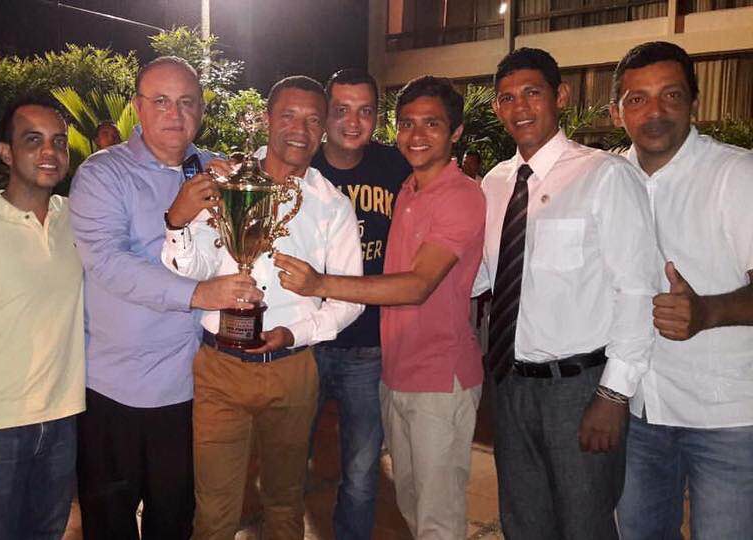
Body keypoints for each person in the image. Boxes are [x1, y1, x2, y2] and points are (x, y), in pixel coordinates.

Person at [275, 75, 486, 539]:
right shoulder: (405, 186)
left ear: (455, 131)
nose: (417, 135)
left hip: (416, 365)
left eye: (432, 124)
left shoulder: (441, 187)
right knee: (405, 497)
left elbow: (419, 285)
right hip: (356, 355)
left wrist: (321, 283)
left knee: (406, 497)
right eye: (407, 123)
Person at [161, 75, 363, 539]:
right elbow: (190, 267)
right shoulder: (225, 181)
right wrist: (178, 223)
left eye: (313, 120)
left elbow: (349, 296)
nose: (300, 129)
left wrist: (296, 332)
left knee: (286, 504)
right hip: (220, 368)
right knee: (214, 513)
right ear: (268, 119)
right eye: (288, 115)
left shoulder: (332, 205)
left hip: (292, 369)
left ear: (324, 129)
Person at [69, 56, 259, 539]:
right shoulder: (103, 173)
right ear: (137, 107)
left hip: (191, 386)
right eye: (160, 101)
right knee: (109, 524)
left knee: (174, 521)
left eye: (186, 102)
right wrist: (198, 293)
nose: (175, 114)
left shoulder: (217, 170)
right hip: (115, 387)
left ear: (201, 109)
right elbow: (108, 263)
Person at [474, 48, 661, 539]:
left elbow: (636, 290)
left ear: (560, 96)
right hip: (509, 384)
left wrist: (613, 394)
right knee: (523, 523)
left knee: (584, 525)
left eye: (532, 93)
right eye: (507, 98)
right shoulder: (494, 183)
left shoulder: (603, 174)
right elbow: (486, 276)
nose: (519, 107)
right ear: (496, 107)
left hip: (579, 390)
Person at [610, 41, 753, 539]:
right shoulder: (609, 178)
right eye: (637, 99)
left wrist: (707, 311)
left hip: (726, 416)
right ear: (617, 112)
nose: (654, 112)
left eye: (670, 95)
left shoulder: (736, 175)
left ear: (694, 101)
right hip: (638, 410)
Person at [0, 97, 83, 539]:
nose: (50, 152)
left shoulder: (78, 218)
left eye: (59, 142)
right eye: (33, 140)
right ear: (6, 152)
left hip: (63, 416)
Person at [305, 68, 410, 540]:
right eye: (341, 110)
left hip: (369, 344)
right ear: (325, 114)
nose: (353, 122)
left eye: (365, 111)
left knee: (363, 471)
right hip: (306, 340)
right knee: (289, 462)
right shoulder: (302, 166)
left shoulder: (396, 167)